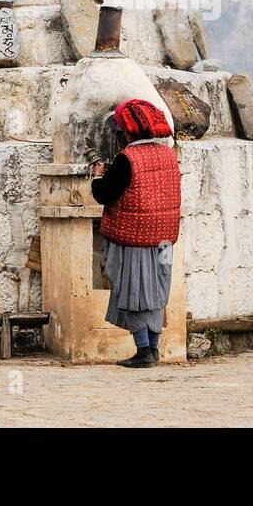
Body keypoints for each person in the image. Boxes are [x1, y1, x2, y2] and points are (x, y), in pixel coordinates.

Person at [91, 98, 181, 368]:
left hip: (135, 238)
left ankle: (144, 351)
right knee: (157, 292)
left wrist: (97, 175)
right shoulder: (168, 155)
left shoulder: (126, 160)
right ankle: (153, 350)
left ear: (127, 132)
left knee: (135, 291)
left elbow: (104, 193)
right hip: (165, 240)